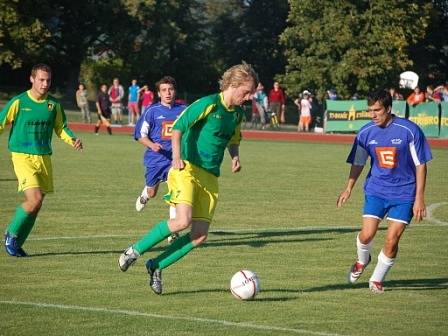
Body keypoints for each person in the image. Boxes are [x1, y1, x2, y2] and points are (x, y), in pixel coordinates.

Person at [118, 62, 258, 295]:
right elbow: (179, 127)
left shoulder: (237, 114)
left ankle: (156, 265)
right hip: (188, 169)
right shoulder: (208, 104)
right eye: (247, 91)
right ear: (234, 85)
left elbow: (234, 138)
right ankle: (133, 251)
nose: (249, 96)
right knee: (182, 221)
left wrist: (235, 157)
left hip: (211, 176)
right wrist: (176, 157)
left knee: (199, 235)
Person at [337, 89, 432, 294]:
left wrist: (419, 199)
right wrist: (348, 188)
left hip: (405, 194)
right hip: (376, 190)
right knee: (366, 235)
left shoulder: (409, 130)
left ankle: (377, 280)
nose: (373, 115)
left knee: (392, 240)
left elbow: (421, 165)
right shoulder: (365, 133)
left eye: (377, 110)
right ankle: (362, 261)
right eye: (370, 110)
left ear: (388, 109)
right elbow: (358, 162)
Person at [0, 63, 83, 257]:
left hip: (44, 157)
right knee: (34, 199)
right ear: (32, 79)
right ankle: (10, 234)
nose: (45, 84)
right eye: (41, 80)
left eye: (48, 80)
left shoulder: (54, 105)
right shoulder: (19, 102)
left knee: (37, 205)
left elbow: (61, 128)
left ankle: (18, 243)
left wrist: (73, 141)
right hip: (22, 156)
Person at [134, 76, 186, 214]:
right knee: (152, 192)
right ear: (159, 93)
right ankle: (145, 195)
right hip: (156, 159)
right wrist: (152, 145)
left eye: (170, 89)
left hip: (177, 159)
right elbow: (140, 135)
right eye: (164, 90)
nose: (168, 93)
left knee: (177, 194)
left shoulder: (184, 110)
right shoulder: (152, 111)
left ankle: (173, 232)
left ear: (175, 91)